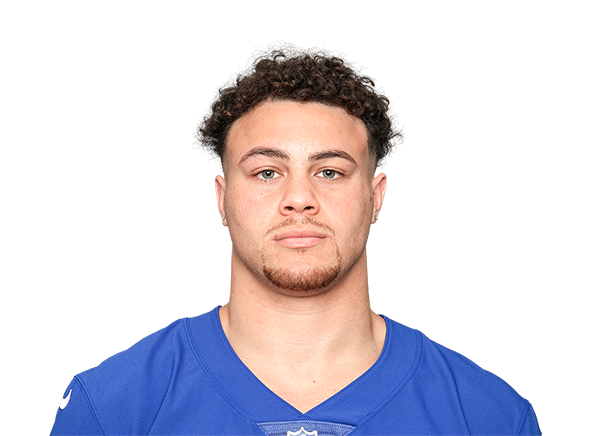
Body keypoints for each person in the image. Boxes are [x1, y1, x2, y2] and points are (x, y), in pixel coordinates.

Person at [51, 43, 541, 435]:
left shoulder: (488, 417)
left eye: (330, 172)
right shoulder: (113, 408)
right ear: (221, 197)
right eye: (267, 172)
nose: (299, 198)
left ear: (375, 197)